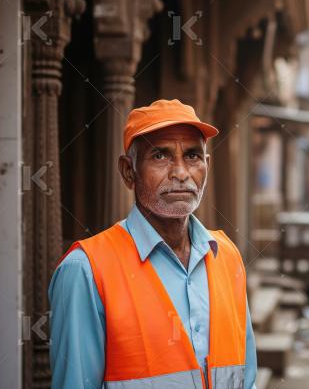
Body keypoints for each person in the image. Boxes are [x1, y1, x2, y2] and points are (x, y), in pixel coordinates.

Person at [49, 99, 256, 389]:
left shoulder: (227, 256)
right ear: (128, 171)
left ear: (206, 166)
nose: (181, 173)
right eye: (161, 156)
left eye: (193, 156)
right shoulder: (86, 270)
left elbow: (246, 380)